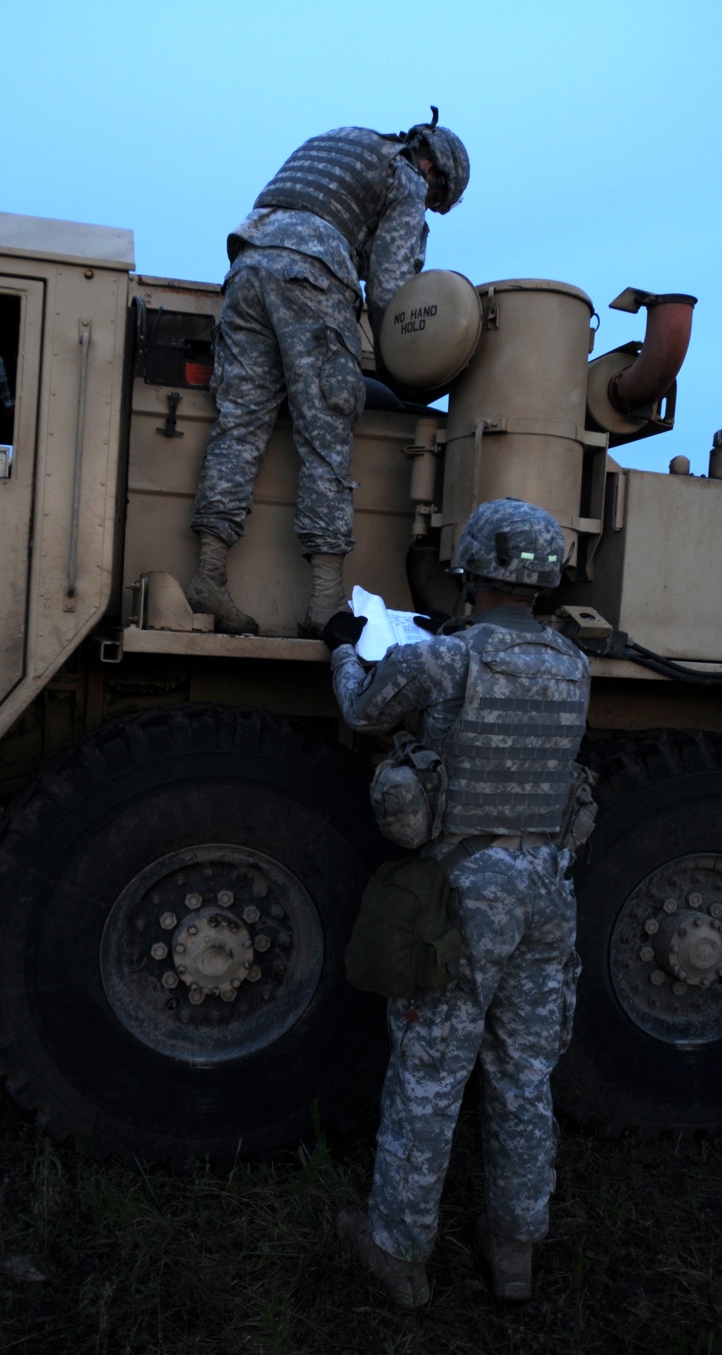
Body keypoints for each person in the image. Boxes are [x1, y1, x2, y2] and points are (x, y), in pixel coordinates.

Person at [325, 499, 591, 1308]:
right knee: (523, 1077)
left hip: (466, 897)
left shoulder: (448, 658)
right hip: (549, 890)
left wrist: (341, 645)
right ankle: (514, 1252)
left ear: (472, 571)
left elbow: (363, 707)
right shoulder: (574, 665)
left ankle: (399, 1252)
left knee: (431, 1073)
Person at [187, 111, 470, 637]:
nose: (427, 206)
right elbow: (390, 286)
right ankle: (324, 600)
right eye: (436, 202)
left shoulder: (339, 139)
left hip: (247, 264)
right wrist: (400, 365)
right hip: (312, 277)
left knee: (239, 425)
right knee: (327, 432)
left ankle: (208, 574)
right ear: (433, 168)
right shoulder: (406, 176)